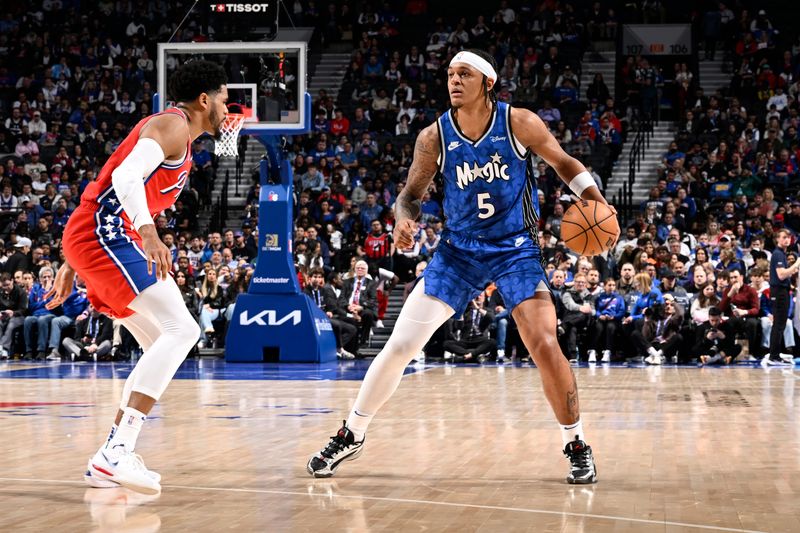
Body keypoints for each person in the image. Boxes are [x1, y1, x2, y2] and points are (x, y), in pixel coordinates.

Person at [307, 49, 613, 484]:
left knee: (544, 342)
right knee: (400, 345)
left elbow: (564, 164)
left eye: (464, 74)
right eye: (450, 73)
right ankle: (351, 433)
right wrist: (404, 218)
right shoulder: (434, 136)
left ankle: (576, 443)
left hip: (515, 249)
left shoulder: (518, 122)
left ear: (487, 82)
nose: (453, 80)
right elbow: (410, 194)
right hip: (458, 251)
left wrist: (596, 201)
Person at [46, 60, 226, 494]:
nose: (227, 107)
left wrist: (72, 265)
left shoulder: (181, 138)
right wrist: (149, 233)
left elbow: (107, 184)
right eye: (223, 97)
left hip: (96, 237)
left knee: (157, 346)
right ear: (204, 100)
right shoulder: (172, 125)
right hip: (106, 234)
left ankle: (112, 452)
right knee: (181, 329)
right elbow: (124, 176)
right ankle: (113, 454)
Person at [763, 228, 800, 366]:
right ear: (777, 239)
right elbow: (781, 275)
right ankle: (773, 356)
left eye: (788, 237)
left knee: (781, 324)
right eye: (783, 237)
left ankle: (775, 354)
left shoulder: (781, 254)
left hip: (782, 291)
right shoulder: (778, 254)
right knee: (779, 324)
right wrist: (796, 264)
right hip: (778, 292)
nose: (787, 239)